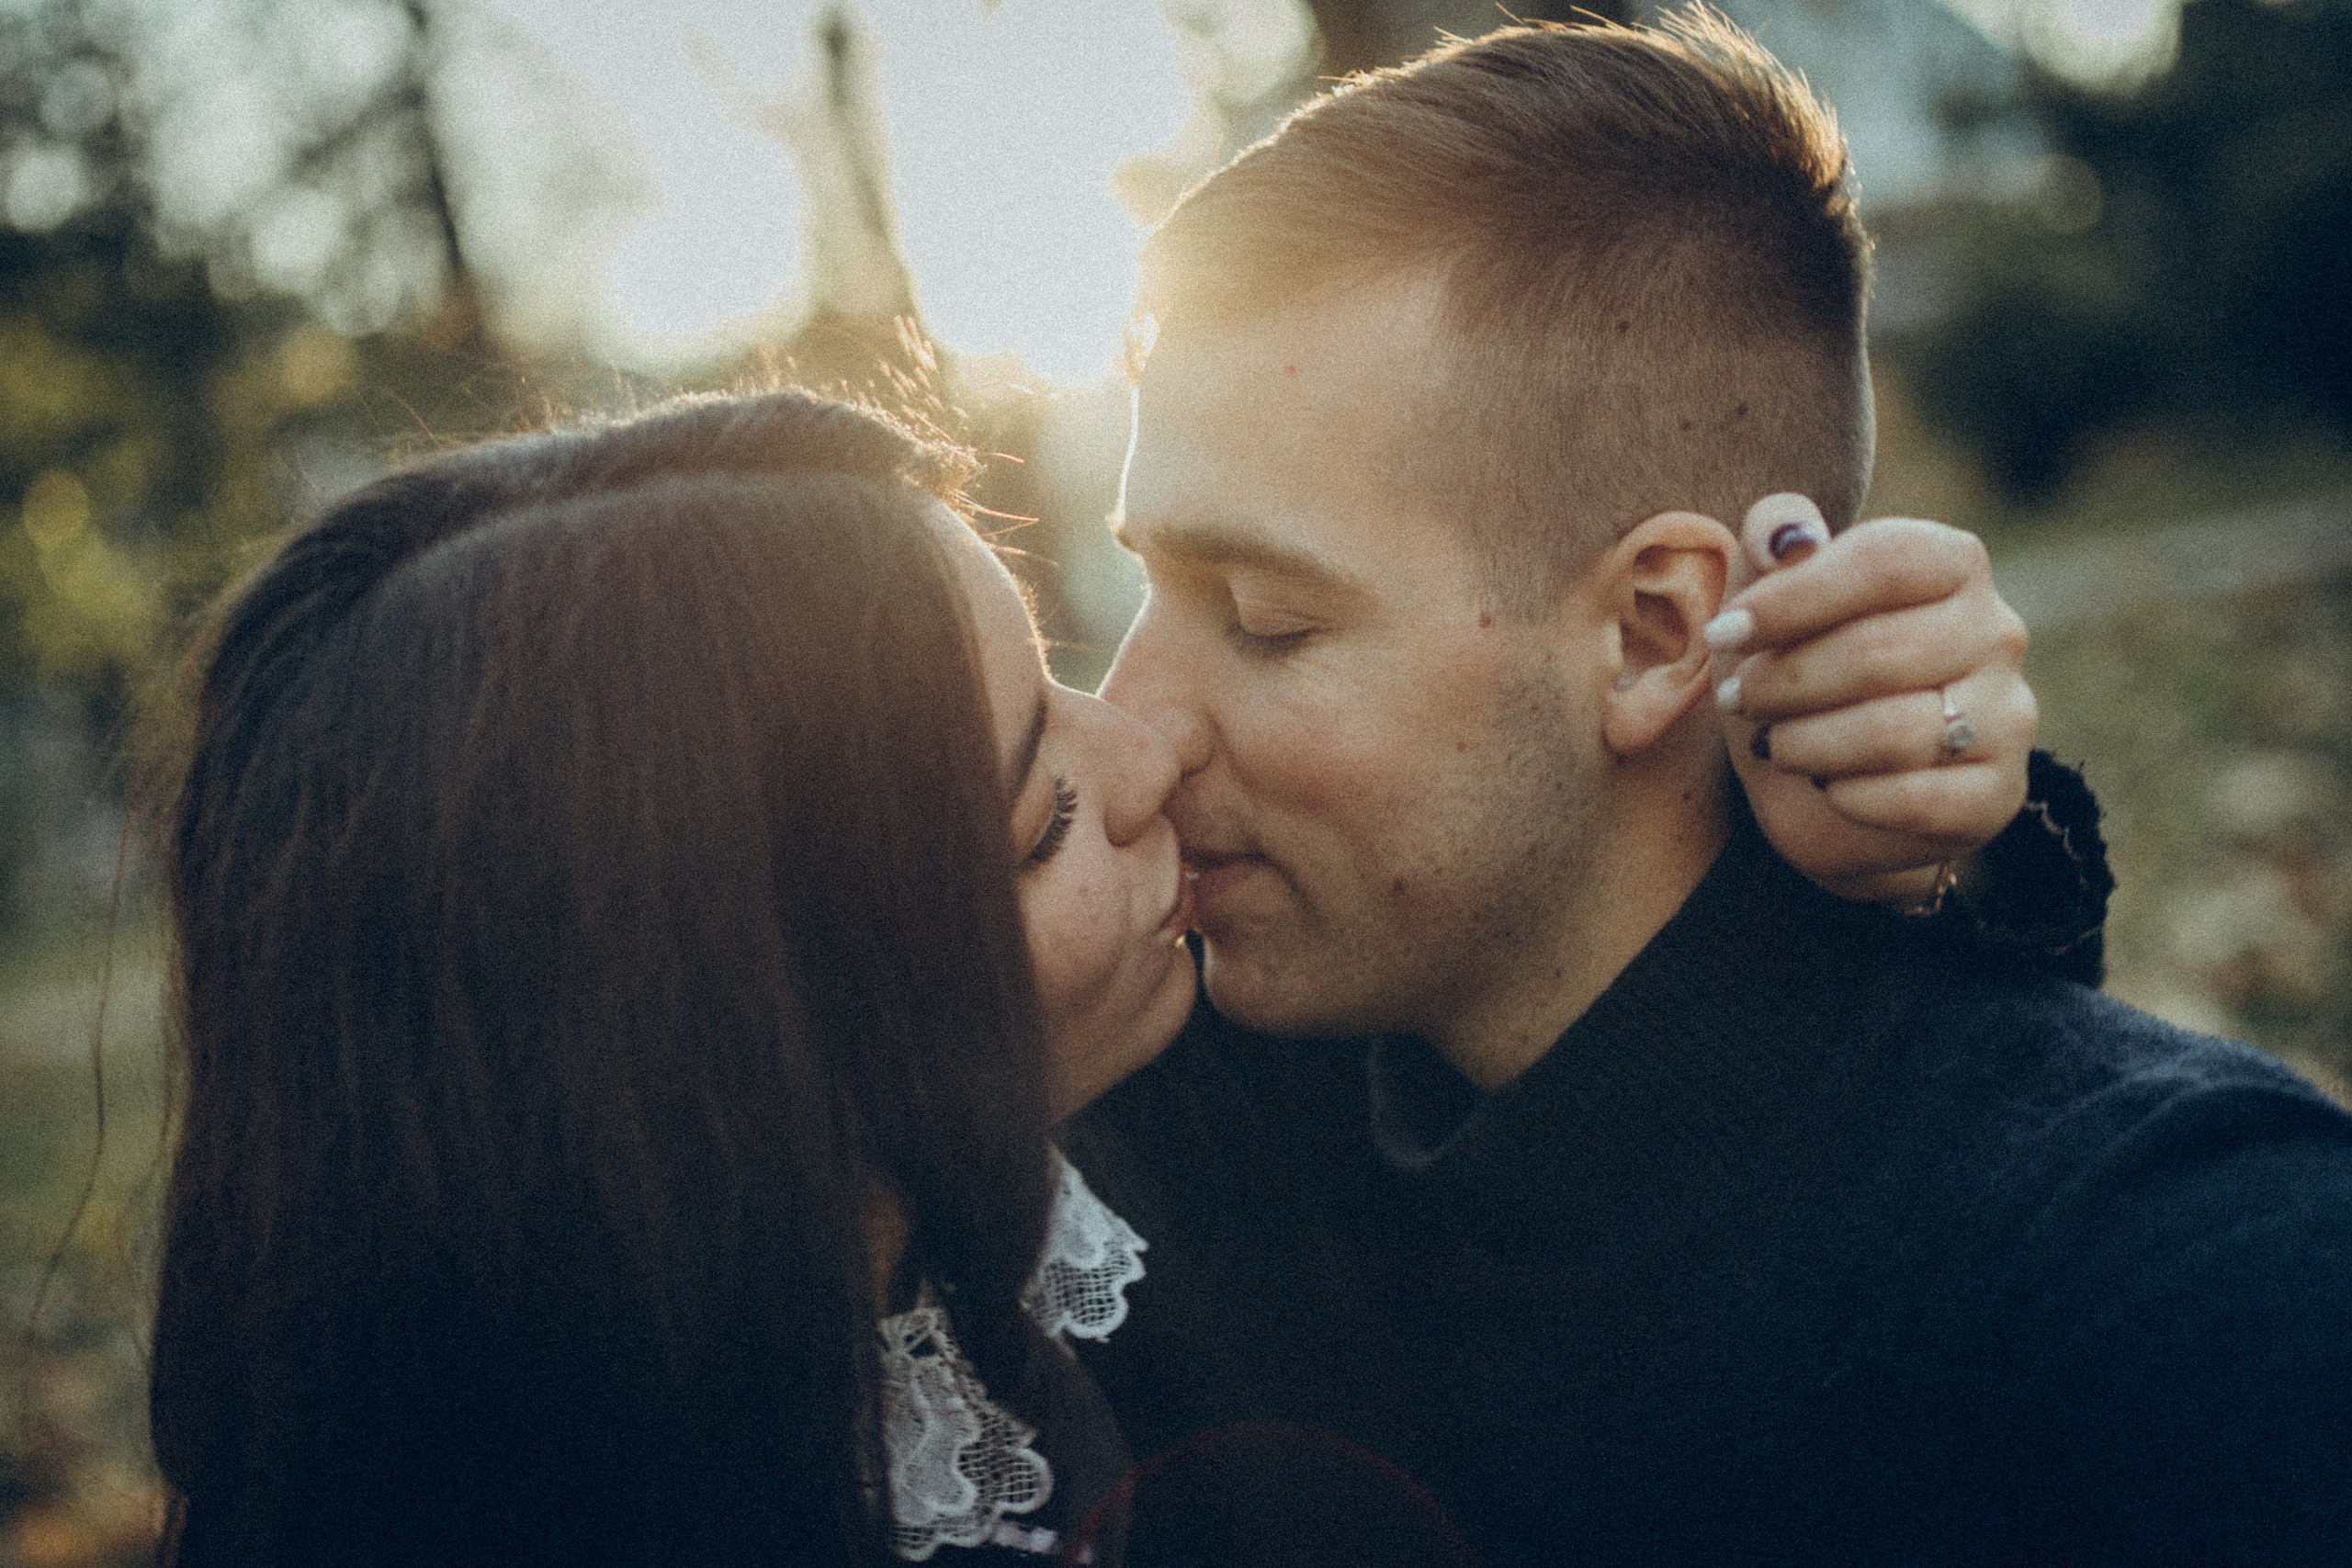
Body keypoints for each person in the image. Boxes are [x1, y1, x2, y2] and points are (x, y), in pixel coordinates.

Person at [146, 375, 2070, 1567]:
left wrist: (1882, 811)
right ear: (731, 1048)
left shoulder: (1165, 1163)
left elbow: (1607, 1182)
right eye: (1039, 811)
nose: (1147, 748)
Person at [1067, 12, 2352, 1566]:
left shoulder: (2194, 1290)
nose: (1131, 724)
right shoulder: (1143, 1140)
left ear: (1655, 629)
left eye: (1267, 616)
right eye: (1143, 589)